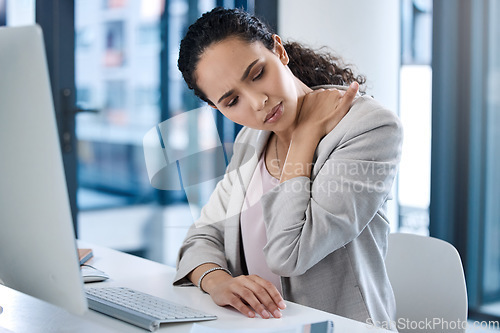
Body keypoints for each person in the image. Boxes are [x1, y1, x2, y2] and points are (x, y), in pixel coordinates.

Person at [173, 7, 402, 328]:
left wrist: (305, 137)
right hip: (255, 324)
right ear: (216, 107)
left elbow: (289, 256)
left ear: (279, 51)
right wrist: (217, 281)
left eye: (257, 74)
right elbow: (201, 236)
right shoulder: (252, 138)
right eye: (231, 101)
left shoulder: (367, 127)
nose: (257, 102)